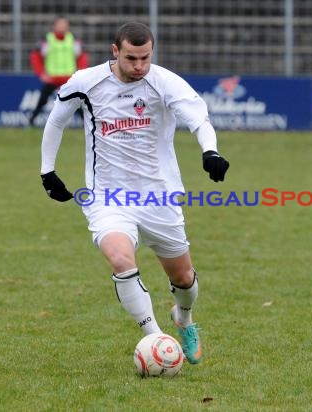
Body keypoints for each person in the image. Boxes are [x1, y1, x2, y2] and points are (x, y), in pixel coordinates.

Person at [39, 21, 229, 365]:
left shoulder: (164, 82)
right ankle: (156, 338)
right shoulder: (87, 82)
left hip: (159, 196)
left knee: (183, 278)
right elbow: (56, 120)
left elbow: (198, 119)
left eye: (145, 58)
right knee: (121, 259)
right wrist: (47, 171)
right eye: (131, 58)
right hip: (107, 196)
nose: (139, 65)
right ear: (115, 51)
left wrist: (210, 151)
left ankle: (183, 320)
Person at [29, 17, 89, 127]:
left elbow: (83, 57)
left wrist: (80, 72)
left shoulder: (74, 40)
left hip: (69, 78)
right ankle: (31, 122)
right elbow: (35, 57)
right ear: (54, 26)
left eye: (64, 24)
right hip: (52, 77)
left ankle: (87, 124)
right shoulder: (47, 40)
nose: (62, 27)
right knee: (42, 100)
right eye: (60, 24)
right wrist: (41, 73)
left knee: (77, 102)